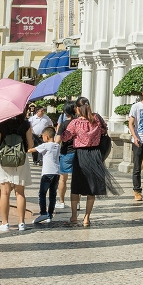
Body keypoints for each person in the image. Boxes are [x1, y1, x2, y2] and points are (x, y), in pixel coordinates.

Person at [61, 96, 117, 226]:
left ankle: (74, 216)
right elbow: (104, 130)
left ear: (78, 108)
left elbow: (65, 137)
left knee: (76, 187)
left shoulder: (75, 123)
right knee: (92, 188)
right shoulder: (97, 118)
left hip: (81, 155)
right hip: (95, 154)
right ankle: (86, 218)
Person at [0, 111, 34, 232]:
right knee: (20, 193)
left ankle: (5, 223)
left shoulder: (1, 124)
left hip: (4, 159)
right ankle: (21, 223)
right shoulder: (26, 124)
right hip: (20, 160)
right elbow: (30, 144)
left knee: (4, 193)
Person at [28, 127, 61, 224]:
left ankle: (43, 213)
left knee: (42, 194)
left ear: (46, 137)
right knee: (53, 195)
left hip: (47, 173)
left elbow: (31, 150)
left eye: (42, 137)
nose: (42, 138)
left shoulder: (45, 146)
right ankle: (50, 214)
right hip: (56, 173)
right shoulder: (57, 146)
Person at [55, 103, 77, 212]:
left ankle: (62, 201)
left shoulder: (64, 124)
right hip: (78, 153)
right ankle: (76, 203)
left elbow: (57, 140)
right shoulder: (79, 123)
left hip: (66, 152)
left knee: (63, 178)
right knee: (77, 178)